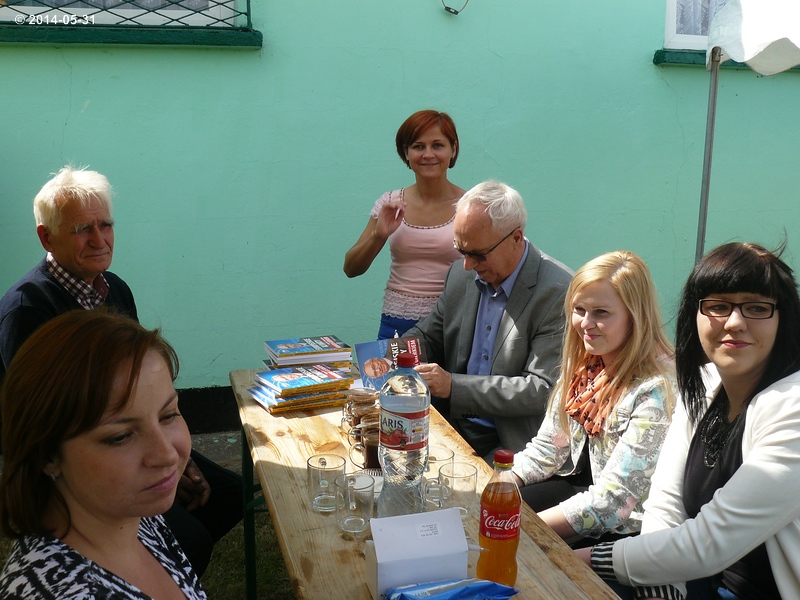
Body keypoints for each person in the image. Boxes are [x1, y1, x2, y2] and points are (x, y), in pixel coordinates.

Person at [0, 166, 242, 576]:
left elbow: (141, 390)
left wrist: (180, 462)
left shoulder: (114, 287)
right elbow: (49, 426)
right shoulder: (28, 309)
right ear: (47, 237)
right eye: (82, 229)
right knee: (190, 540)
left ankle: (158, 571)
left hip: (136, 436)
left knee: (228, 495)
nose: (99, 239)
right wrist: (162, 466)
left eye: (106, 225)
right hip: (77, 466)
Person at [584, 242, 800, 600]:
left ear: (784, 320)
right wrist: (662, 588)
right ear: (693, 315)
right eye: (718, 306)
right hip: (701, 582)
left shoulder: (793, 406)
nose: (735, 322)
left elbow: (710, 541)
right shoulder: (705, 382)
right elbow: (665, 504)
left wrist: (587, 559)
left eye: (757, 308)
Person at [0, 310, 206, 599]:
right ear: (47, 454)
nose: (166, 454)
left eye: (168, 415)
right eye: (120, 437)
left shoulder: (132, 517)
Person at [510, 251, 675, 549]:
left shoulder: (656, 388)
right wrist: (502, 482)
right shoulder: (587, 360)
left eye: (601, 312)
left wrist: (523, 528)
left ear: (635, 316)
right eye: (579, 309)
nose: (586, 323)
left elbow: (614, 502)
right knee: (492, 506)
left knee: (518, 542)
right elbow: (549, 447)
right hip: (584, 491)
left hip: (629, 528)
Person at [406, 180, 574, 458]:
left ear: (516, 238)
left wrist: (452, 386)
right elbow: (429, 336)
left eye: (478, 255)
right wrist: (389, 353)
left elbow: (540, 389)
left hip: (514, 443)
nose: (468, 264)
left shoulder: (558, 292)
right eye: (461, 250)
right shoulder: (461, 274)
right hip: (451, 425)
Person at [343, 109, 465, 339]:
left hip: (453, 324)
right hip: (396, 325)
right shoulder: (389, 203)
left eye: (437, 145)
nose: (428, 154)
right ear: (406, 153)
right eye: (418, 146)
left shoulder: (471, 207)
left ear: (453, 149)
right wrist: (378, 236)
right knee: (389, 366)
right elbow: (351, 268)